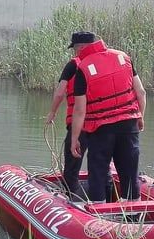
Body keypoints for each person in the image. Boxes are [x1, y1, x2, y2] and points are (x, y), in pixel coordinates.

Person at [69, 36, 147, 202]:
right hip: (129, 125)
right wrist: (140, 116)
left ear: (81, 49)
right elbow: (141, 92)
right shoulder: (123, 57)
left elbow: (79, 110)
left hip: (101, 129)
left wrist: (75, 138)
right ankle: (134, 217)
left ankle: (99, 213)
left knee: (98, 171)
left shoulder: (83, 68)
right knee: (130, 171)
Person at [46, 32, 111, 199]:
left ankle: (69, 200)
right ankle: (110, 202)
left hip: (80, 125)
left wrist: (52, 112)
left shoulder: (73, 65)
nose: (74, 52)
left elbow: (60, 92)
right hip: (103, 125)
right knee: (102, 166)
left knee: (72, 166)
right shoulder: (107, 62)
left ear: (80, 47)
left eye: (75, 48)